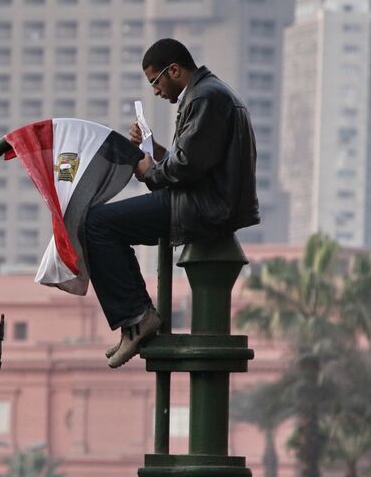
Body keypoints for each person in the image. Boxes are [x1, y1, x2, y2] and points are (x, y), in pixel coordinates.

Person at [86, 38, 259, 368]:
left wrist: (150, 170)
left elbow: (188, 168)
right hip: (203, 200)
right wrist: (156, 154)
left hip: (202, 207)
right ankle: (134, 321)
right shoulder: (210, 94)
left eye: (155, 81)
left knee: (97, 223)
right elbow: (193, 160)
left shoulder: (206, 97)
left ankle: (137, 318)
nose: (155, 91)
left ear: (174, 70)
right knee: (104, 221)